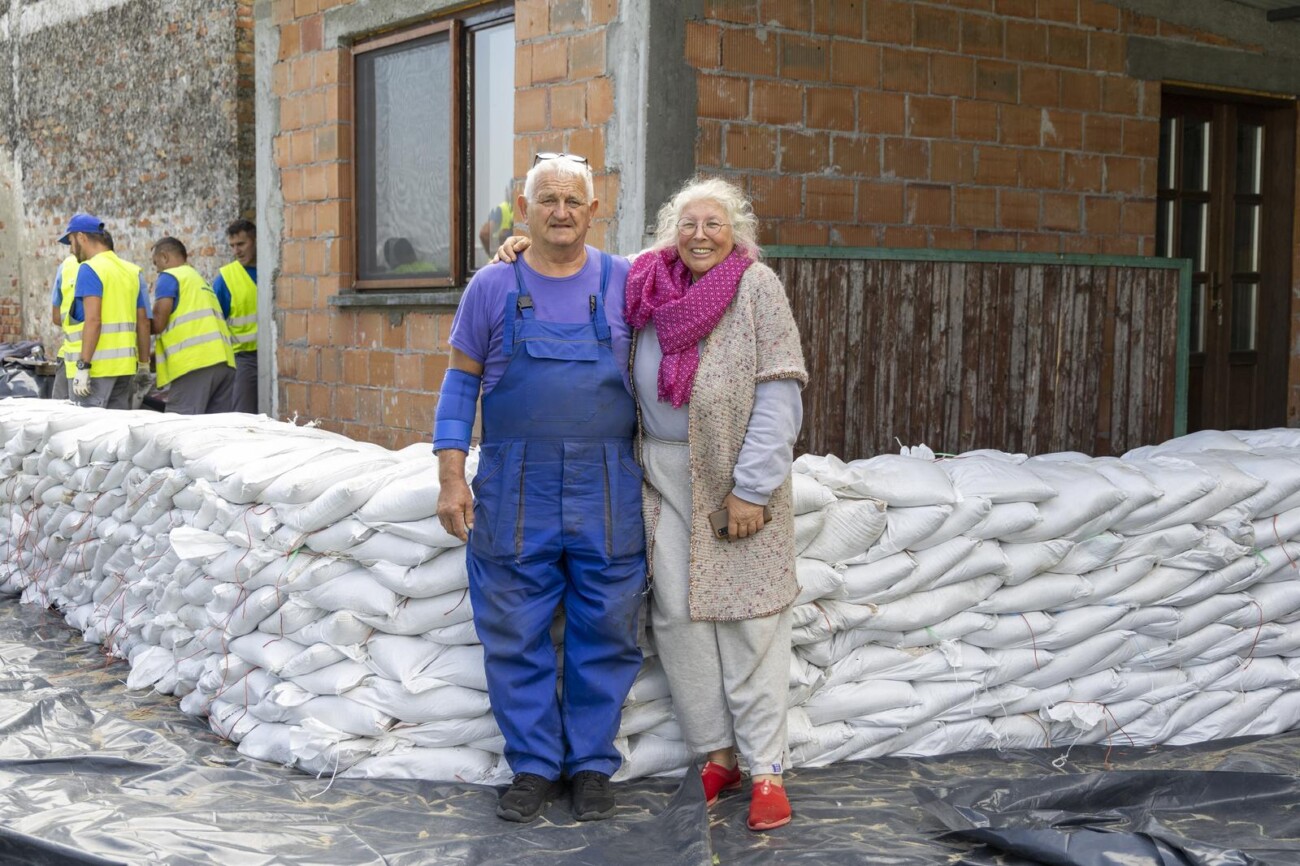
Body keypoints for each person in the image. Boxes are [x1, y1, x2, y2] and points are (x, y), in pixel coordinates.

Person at [496, 176, 807, 831]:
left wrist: (751, 488)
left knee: (749, 620)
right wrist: (519, 246)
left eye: (714, 223)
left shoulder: (756, 288)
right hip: (659, 473)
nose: (699, 234)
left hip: (731, 474)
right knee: (676, 620)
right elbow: (569, 257)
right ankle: (715, 754)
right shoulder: (645, 282)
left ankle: (768, 769)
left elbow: (780, 394)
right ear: (670, 230)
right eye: (687, 222)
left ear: (737, 231)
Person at [434, 152, 645, 825]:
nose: (560, 212)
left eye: (572, 201)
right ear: (522, 211)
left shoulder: (626, 281)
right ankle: (531, 765)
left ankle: (588, 766)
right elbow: (460, 383)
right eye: (546, 200)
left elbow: (704, 264)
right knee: (514, 626)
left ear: (593, 210)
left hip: (607, 481)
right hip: (514, 481)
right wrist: (449, 477)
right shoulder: (492, 287)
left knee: (606, 624)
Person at [58, 214, 151, 410]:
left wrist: (83, 366)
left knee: (87, 433)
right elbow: (143, 320)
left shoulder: (89, 268)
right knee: (113, 435)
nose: (71, 249)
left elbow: (93, 320)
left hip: (95, 371)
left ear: (81, 237)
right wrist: (144, 365)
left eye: (71, 241)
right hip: (124, 369)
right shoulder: (131, 271)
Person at [150, 236, 235, 414]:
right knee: (215, 431)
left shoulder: (170, 276)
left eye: (156, 264)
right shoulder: (198, 279)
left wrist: (136, 322)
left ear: (165, 257)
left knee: (180, 427)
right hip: (224, 363)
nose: (157, 270)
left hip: (195, 364)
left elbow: (158, 323)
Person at [213, 218, 258, 413]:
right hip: (243, 359)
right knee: (244, 416)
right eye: (232, 246)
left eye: (241, 244)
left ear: (256, 240)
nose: (236, 251)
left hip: (276, 355)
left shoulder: (276, 269)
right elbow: (216, 323)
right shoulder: (225, 278)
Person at [49, 251, 81, 399]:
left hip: (72, 356)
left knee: (60, 413)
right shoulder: (127, 270)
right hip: (120, 365)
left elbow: (56, 317)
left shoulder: (67, 266)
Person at [478, 183, 516, 258]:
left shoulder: (519, 210)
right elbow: (484, 233)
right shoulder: (502, 209)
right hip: (501, 263)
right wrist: (498, 254)